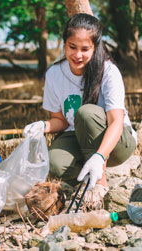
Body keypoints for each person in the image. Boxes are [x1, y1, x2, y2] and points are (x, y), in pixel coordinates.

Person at [24, 13, 137, 208]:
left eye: (85, 49)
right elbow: (61, 120)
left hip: (117, 142)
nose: (77, 55)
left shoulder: (108, 72)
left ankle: (100, 185)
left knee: (85, 113)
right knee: (55, 163)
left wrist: (99, 157)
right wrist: (43, 125)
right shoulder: (54, 74)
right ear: (64, 45)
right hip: (77, 136)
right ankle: (85, 178)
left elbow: (116, 122)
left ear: (95, 47)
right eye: (72, 47)